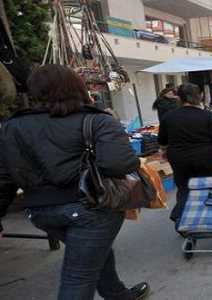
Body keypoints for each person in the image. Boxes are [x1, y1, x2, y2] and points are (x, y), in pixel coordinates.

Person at [0, 65, 149, 300]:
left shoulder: (12, 126)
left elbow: (4, 177)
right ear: (77, 87)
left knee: (93, 252)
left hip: (40, 212)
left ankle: (117, 294)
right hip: (90, 208)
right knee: (78, 277)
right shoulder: (97, 120)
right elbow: (120, 164)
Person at [158, 83, 212, 226]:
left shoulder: (169, 117)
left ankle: (181, 215)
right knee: (207, 185)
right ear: (200, 96)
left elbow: (162, 141)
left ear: (179, 97)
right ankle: (205, 216)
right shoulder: (209, 116)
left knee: (184, 187)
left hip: (179, 158)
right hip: (205, 157)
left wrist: (163, 151)